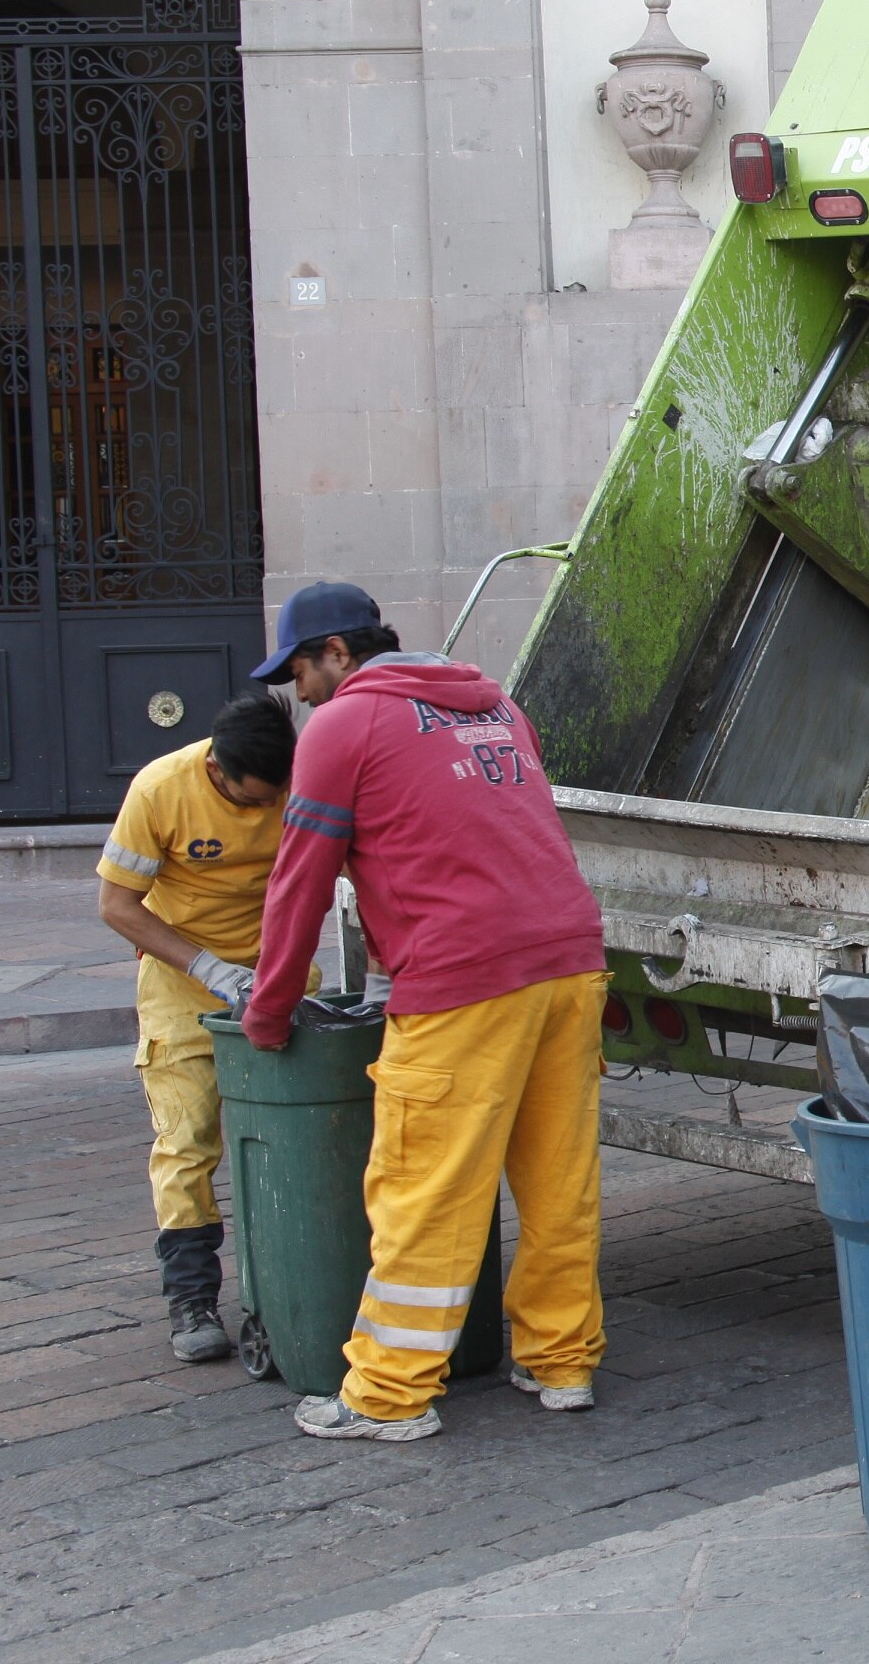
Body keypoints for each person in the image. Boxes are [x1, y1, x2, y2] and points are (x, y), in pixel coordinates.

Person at [241, 581, 611, 1442]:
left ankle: (387, 1392)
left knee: (425, 1187)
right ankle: (563, 1363)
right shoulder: (495, 707)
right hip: (569, 961)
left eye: (300, 670)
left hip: (463, 978)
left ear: (338, 652)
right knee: (559, 1179)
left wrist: (268, 1010)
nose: (297, 694)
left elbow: (299, 882)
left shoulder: (345, 723)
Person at [96, 696, 300, 1363]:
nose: (263, 810)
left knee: (303, 1121)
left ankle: (299, 1276)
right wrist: (207, 967)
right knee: (186, 1137)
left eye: (274, 798)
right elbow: (117, 905)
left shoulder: (299, 782)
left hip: (278, 967)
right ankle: (191, 1297)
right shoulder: (159, 790)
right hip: (182, 978)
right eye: (252, 799)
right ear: (218, 770)